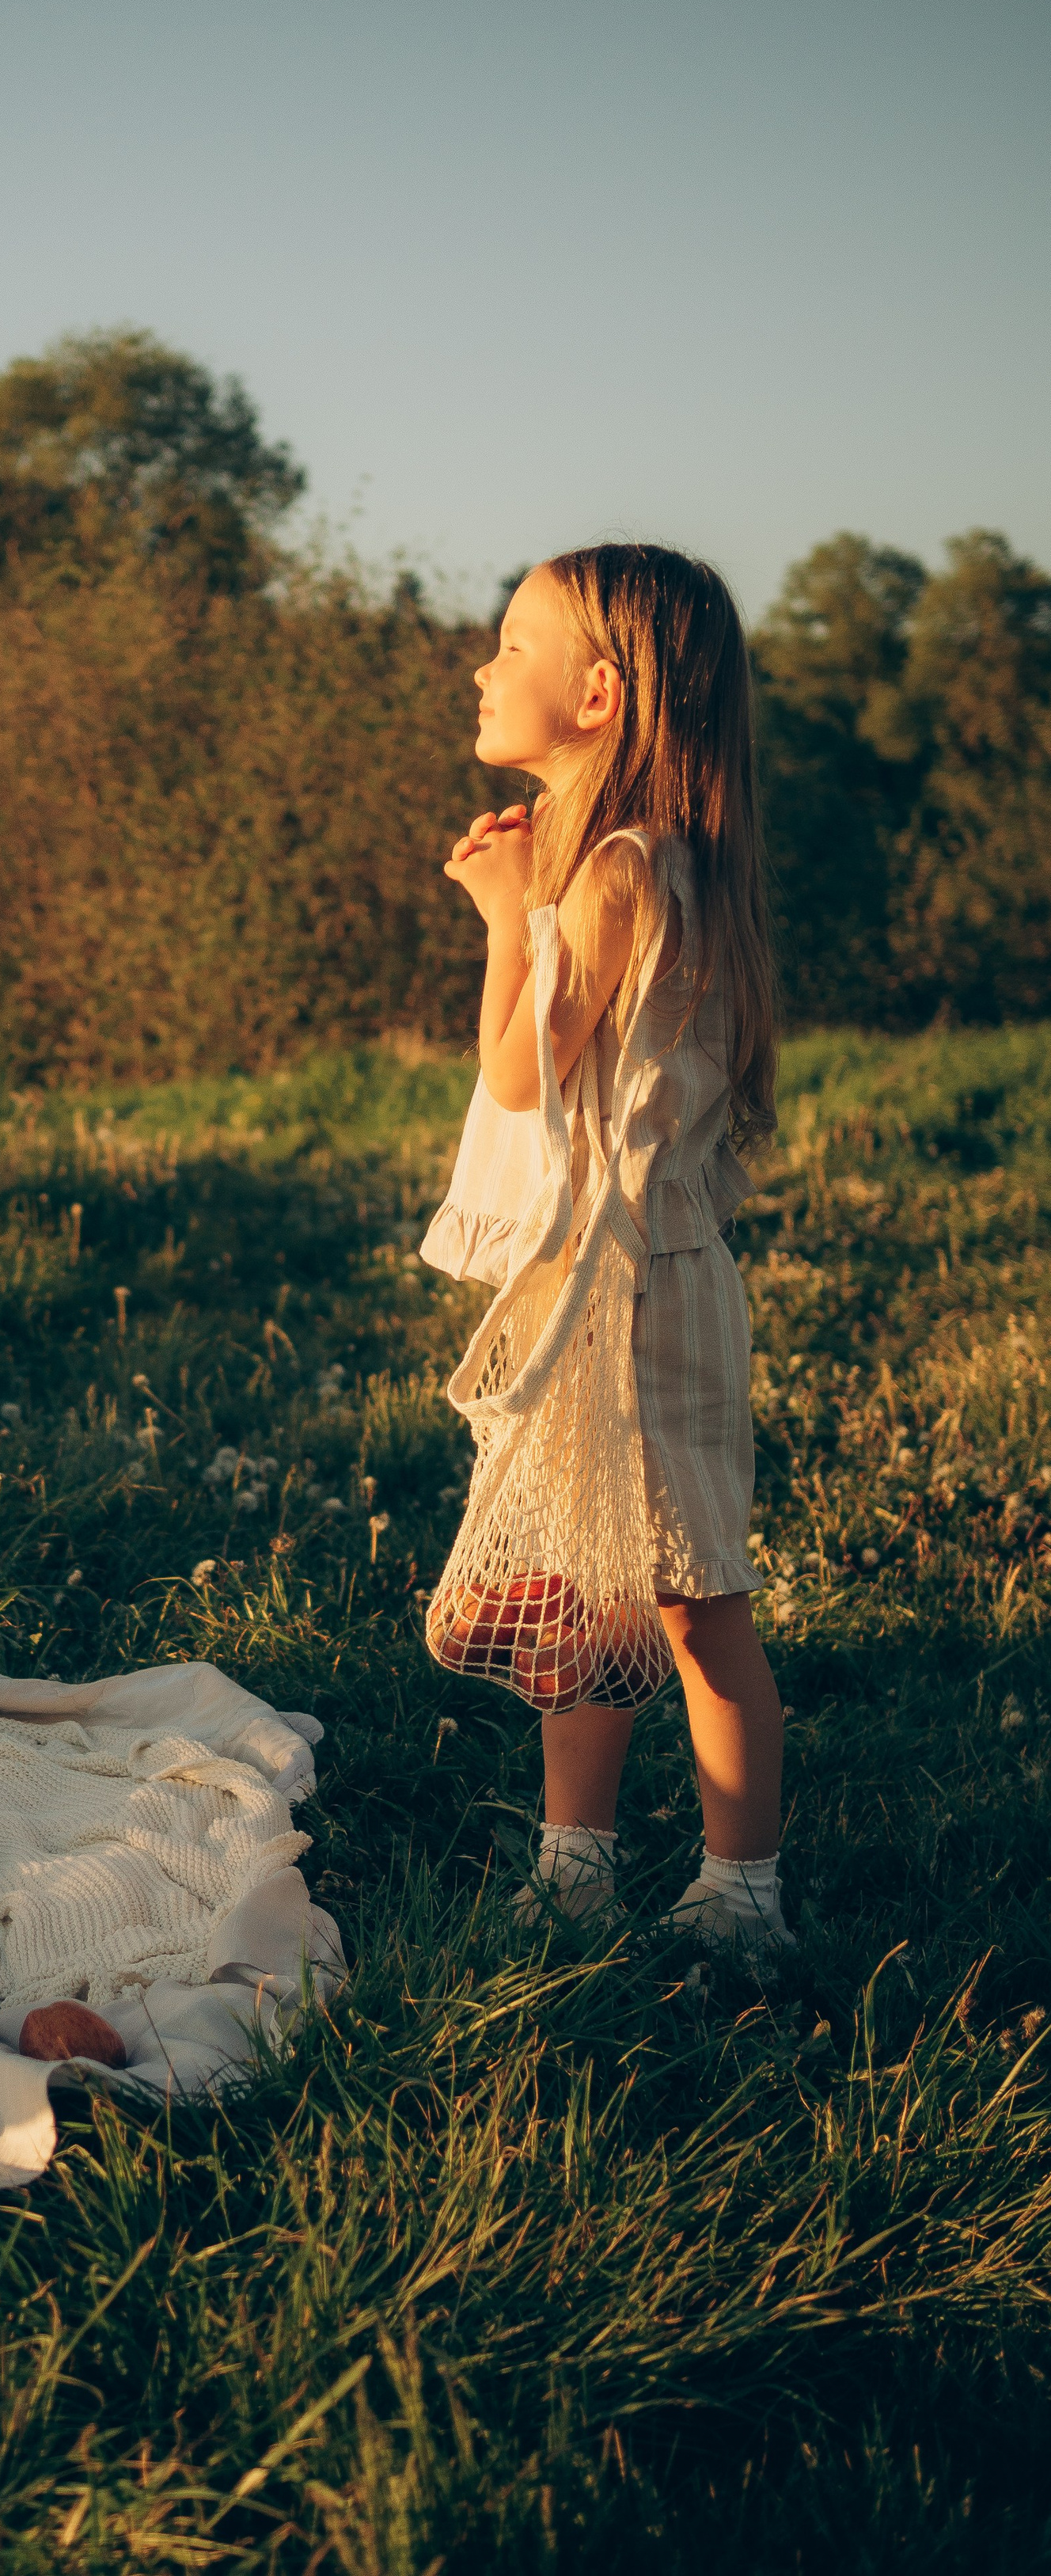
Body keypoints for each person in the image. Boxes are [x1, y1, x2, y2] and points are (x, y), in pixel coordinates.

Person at [422, 544, 790, 1952]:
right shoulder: (618, 862)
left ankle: (741, 1895)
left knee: (697, 1604)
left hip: (646, 1291)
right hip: (610, 1278)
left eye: (513, 646)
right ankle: (574, 1863)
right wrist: (529, 897)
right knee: (583, 1594)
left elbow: (520, 1073)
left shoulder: (617, 874)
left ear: (597, 693)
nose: (482, 665)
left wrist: (505, 919)